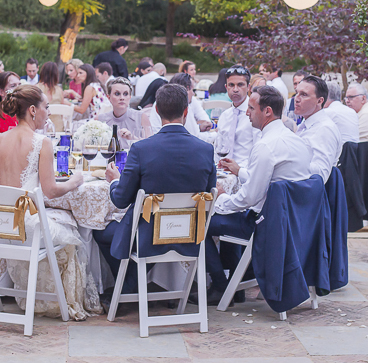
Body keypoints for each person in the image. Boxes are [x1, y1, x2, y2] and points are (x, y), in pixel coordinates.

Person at [0, 85, 101, 319]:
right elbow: (51, 191)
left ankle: (39, 295)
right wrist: (75, 181)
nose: (49, 112)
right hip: (26, 231)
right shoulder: (41, 142)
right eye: (46, 107)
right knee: (74, 228)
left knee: (57, 220)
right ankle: (61, 299)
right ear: (33, 110)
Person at [95, 83, 216, 296]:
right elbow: (208, 192)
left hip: (147, 235)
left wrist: (115, 181)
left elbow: (120, 200)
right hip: (190, 233)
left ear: (157, 111)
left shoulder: (141, 149)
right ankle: (128, 288)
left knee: (99, 231)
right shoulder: (205, 149)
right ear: (186, 111)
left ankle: (125, 288)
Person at [208, 86, 312, 303]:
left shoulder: (265, 145)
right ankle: (236, 286)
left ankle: (221, 286)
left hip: (268, 227)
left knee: (203, 223)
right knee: (229, 216)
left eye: (251, 108)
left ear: (267, 111)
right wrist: (240, 171)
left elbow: (250, 198)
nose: (247, 113)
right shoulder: (295, 140)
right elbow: (272, 180)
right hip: (295, 223)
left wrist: (221, 199)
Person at [293, 76, 342, 180]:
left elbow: (321, 173)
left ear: (319, 101)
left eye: (304, 95)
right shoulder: (305, 124)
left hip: (307, 188)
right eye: (296, 93)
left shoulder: (325, 129)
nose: (296, 98)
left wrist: (289, 162)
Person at [216, 65, 260, 168]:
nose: (235, 89)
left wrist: (238, 170)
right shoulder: (224, 116)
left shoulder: (257, 115)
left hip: (247, 170)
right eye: (231, 85)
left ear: (248, 87)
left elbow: (258, 152)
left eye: (240, 85)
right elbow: (218, 149)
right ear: (226, 87)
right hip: (223, 170)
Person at [95, 77, 143, 146]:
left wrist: (132, 138)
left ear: (130, 97)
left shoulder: (141, 117)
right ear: (109, 98)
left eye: (125, 94)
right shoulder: (100, 120)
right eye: (117, 94)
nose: (122, 98)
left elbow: (151, 145)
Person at [323, 80, 359, 144]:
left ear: (324, 97)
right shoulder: (352, 112)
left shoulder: (327, 112)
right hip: (355, 149)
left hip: (339, 149)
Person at [37, 61, 65, 129]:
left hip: (42, 126)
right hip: (58, 127)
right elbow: (62, 111)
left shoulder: (37, 88)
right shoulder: (59, 90)